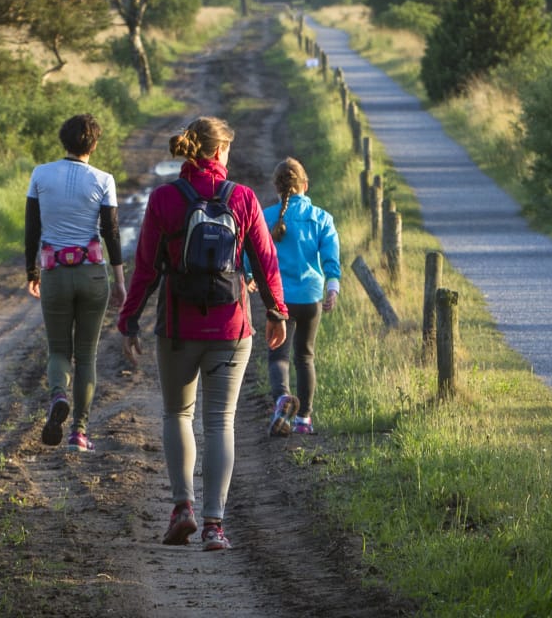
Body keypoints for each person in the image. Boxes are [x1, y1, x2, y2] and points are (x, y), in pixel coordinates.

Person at [117, 116, 288, 551]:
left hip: (177, 327)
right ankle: (215, 525)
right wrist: (277, 312)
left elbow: (146, 268)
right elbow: (265, 263)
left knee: (178, 415)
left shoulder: (165, 199)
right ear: (217, 152)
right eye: (227, 149)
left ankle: (182, 509)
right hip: (232, 328)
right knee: (219, 421)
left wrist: (130, 319)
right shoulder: (244, 198)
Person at [25, 114, 126, 451]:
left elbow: (32, 230)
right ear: (94, 145)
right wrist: (121, 280)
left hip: (54, 272)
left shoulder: (40, 175)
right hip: (93, 274)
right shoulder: (104, 179)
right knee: (86, 356)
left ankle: (57, 396)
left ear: (62, 140)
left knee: (57, 350)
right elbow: (111, 233)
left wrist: (32, 272)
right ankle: (79, 433)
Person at [259, 158, 341, 438]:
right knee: (305, 357)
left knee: (277, 356)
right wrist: (332, 288)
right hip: (310, 298)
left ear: (277, 188)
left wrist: (248, 278)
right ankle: (304, 418)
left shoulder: (267, 217)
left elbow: (251, 254)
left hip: (278, 300)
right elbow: (331, 260)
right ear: (305, 185)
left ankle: (282, 399)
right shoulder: (322, 218)